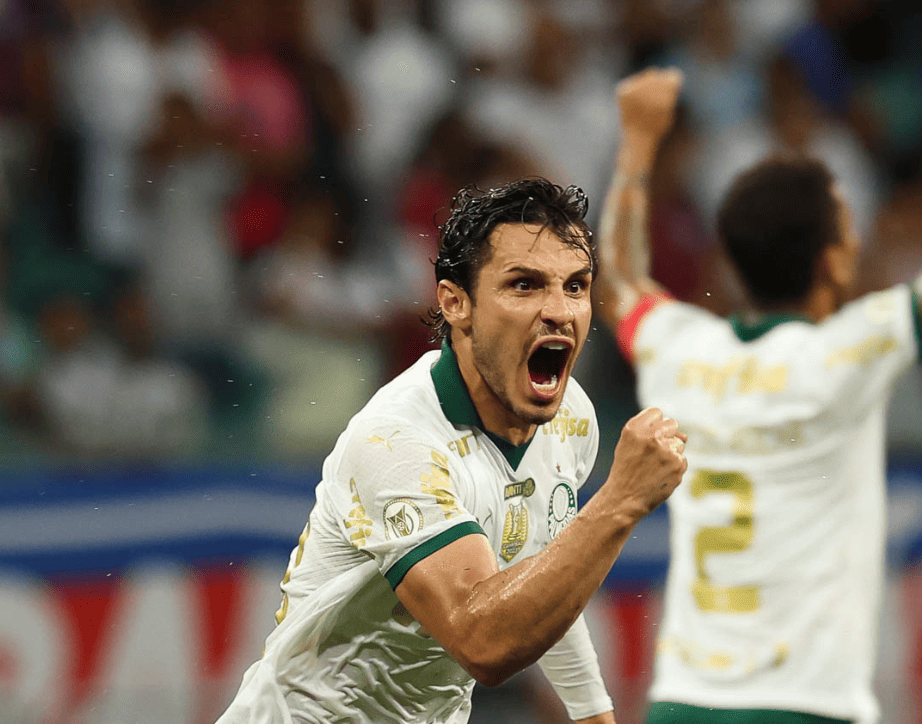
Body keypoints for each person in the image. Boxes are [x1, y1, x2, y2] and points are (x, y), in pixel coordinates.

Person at [594, 24, 922, 724]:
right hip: (806, 704)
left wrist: (637, 141)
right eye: (848, 233)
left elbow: (615, 280)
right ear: (832, 261)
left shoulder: (681, 350)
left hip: (686, 703)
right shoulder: (845, 357)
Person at [219, 178, 689, 723]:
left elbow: (546, 579)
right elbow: (482, 640)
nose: (560, 310)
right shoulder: (397, 442)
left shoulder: (571, 419)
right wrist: (621, 501)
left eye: (576, 286)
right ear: (454, 301)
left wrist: (594, 716)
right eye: (524, 285)